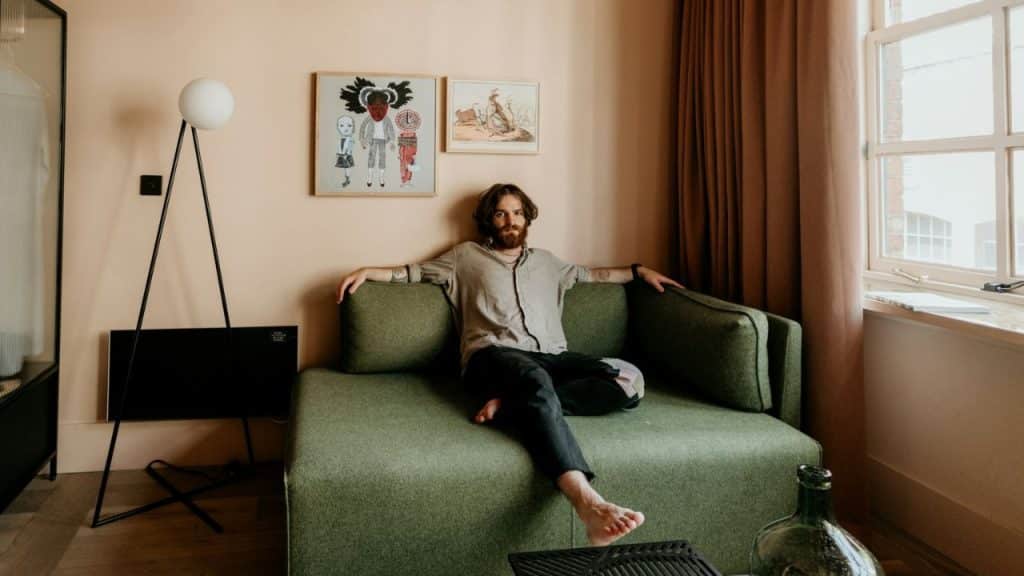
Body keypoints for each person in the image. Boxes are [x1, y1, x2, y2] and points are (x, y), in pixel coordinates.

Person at [335, 183, 683, 546]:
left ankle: (514, 405)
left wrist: (640, 271)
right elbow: (413, 272)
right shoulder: (464, 257)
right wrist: (368, 271)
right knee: (532, 377)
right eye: (501, 213)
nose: (510, 220)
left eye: (517, 212)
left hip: (551, 357)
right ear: (489, 219)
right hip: (493, 356)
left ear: (527, 217)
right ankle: (587, 502)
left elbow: (596, 275)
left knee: (629, 378)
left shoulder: (549, 262)